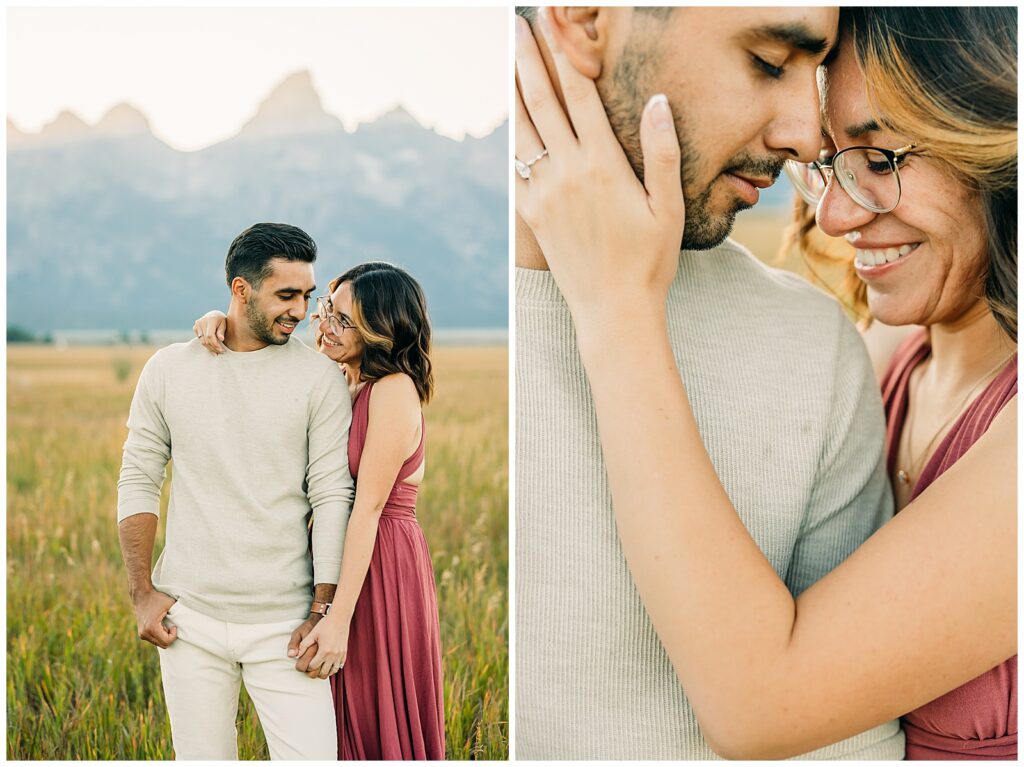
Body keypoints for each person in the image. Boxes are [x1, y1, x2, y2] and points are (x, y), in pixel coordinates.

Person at [516, 5, 1016, 762]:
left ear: (995, 143)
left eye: (880, 161)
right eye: (832, 164)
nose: (839, 215)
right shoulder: (878, 352)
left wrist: (617, 304)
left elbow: (758, 704)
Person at [116, 222, 354, 760]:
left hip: (286, 628)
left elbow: (332, 495)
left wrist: (322, 610)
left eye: (307, 296)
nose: (300, 309)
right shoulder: (168, 369)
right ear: (240, 290)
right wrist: (141, 592)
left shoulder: (320, 379)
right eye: (286, 295)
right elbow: (139, 477)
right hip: (189, 622)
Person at [193, 262, 445, 760]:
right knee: (332, 716)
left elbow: (367, 508)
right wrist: (216, 320)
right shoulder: (338, 378)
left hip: (379, 564)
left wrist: (336, 617)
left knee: (375, 708)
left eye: (344, 320)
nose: (324, 324)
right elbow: (266, 363)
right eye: (328, 308)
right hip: (341, 558)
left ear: (382, 330)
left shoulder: (392, 389)